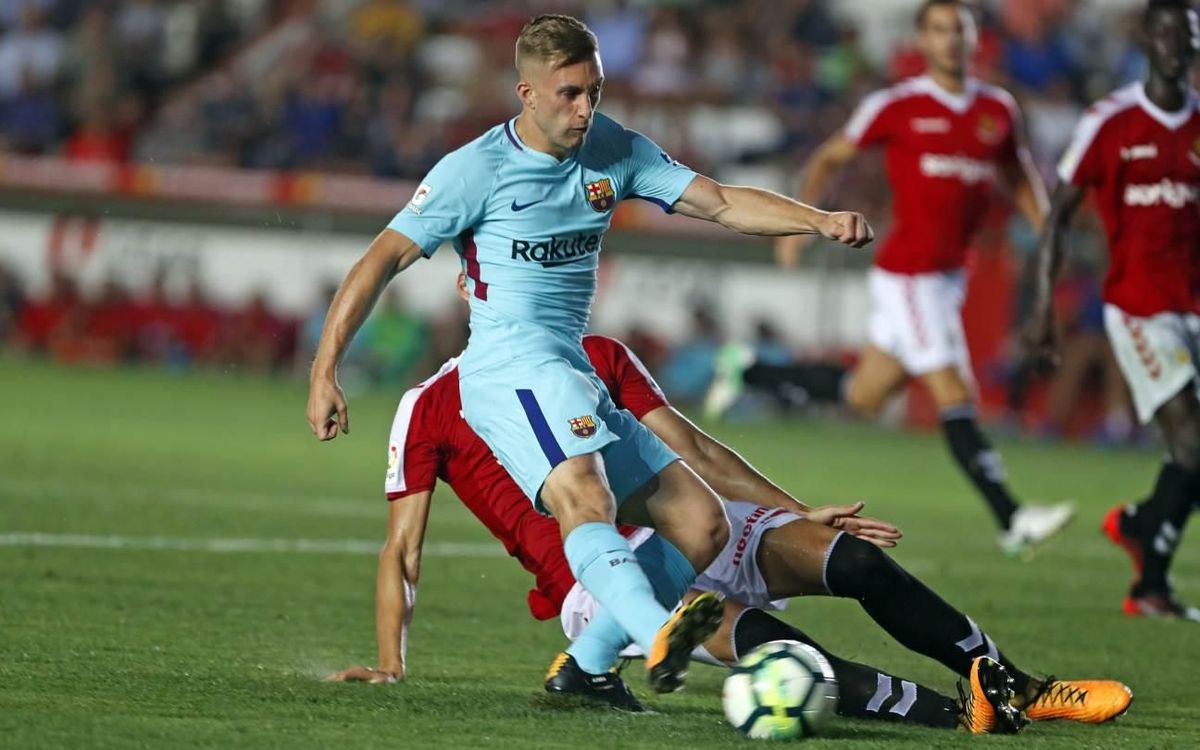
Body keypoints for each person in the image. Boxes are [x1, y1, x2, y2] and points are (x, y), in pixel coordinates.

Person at [306, 14, 873, 694]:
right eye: (570, 93)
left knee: (701, 525)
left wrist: (817, 220)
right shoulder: (474, 170)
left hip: (568, 370)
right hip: (508, 370)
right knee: (584, 494)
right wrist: (324, 369)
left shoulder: (614, 149)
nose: (585, 109)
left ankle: (589, 666)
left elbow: (720, 203)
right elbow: (381, 259)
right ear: (527, 92)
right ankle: (657, 632)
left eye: (594, 92)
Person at [327, 283, 1131, 733]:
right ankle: (962, 715)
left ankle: (1018, 684)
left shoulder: (600, 355)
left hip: (696, 521)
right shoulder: (427, 407)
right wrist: (394, 664)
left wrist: (801, 514)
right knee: (786, 657)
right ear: (482, 296)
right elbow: (403, 548)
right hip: (605, 586)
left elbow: (697, 452)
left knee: (854, 561)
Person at [708, 0, 1074, 556]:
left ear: (974, 41)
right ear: (922, 41)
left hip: (950, 277)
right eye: (939, 30)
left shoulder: (997, 110)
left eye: (960, 30)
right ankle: (1013, 517)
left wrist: (1048, 231)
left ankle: (749, 370)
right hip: (908, 275)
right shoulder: (897, 105)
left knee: (864, 396)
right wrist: (797, 226)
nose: (950, 40)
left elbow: (1019, 177)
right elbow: (830, 158)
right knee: (955, 393)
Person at [1028, 0, 1200, 621]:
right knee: (1191, 441)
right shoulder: (1114, 121)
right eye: (1164, 34)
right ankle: (1149, 583)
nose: (1175, 45)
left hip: (1194, 303)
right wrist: (1045, 305)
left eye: (1185, 35)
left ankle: (1141, 525)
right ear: (1146, 42)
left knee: (1193, 456)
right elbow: (1059, 216)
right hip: (1138, 304)